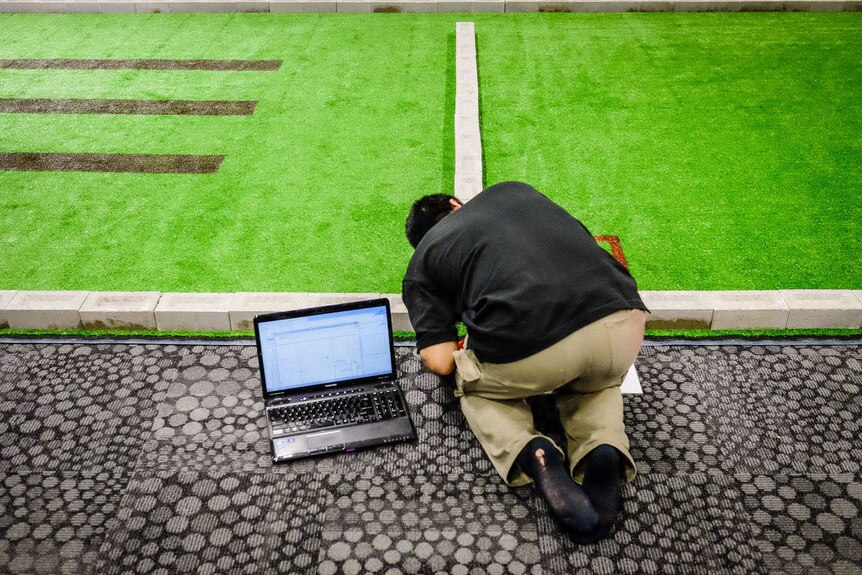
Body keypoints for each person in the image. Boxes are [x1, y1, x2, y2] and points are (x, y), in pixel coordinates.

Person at [402, 181, 647, 540]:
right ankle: (602, 445)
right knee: (598, 382)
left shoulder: (423, 260)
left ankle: (532, 449)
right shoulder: (516, 190)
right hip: (623, 326)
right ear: (456, 205)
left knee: (470, 383)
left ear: (421, 240)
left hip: (534, 352)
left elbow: (439, 362)